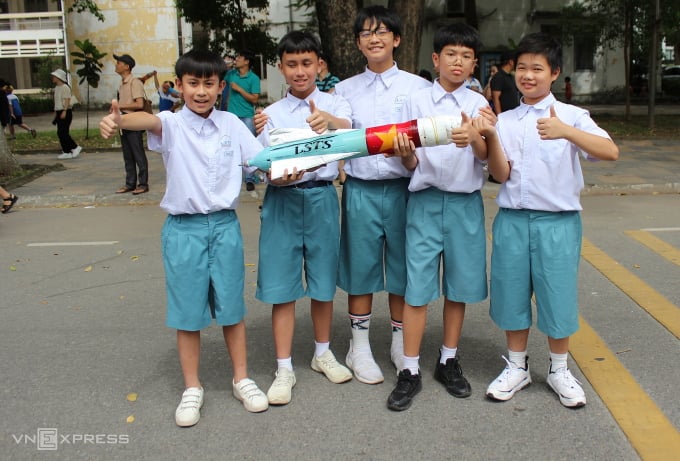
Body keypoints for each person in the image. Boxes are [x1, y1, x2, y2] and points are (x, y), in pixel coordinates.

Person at [99, 49, 269, 427]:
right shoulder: (172, 124)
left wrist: (292, 166)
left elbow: (262, 161)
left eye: (209, 84)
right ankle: (192, 387)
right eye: (193, 84)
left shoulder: (232, 125)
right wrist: (118, 119)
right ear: (179, 87)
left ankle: (242, 378)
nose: (201, 91)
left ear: (221, 86)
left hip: (225, 228)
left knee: (231, 309)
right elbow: (147, 120)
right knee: (188, 314)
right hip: (184, 231)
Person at [481, 33, 619, 408]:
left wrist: (566, 132)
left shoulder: (572, 116)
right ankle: (517, 366)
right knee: (511, 294)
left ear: (554, 73)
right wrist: (492, 137)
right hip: (512, 219)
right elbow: (500, 174)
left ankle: (559, 369)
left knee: (557, 296)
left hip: (557, 223)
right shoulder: (506, 120)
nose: (528, 75)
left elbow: (610, 151)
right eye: (522, 68)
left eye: (537, 69)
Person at [386, 23, 492, 411]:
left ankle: (448, 358)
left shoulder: (480, 104)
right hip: (425, 202)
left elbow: (488, 158)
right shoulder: (417, 101)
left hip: (465, 204)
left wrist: (477, 138)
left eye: (466, 56)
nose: (458, 62)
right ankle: (409, 368)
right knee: (418, 286)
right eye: (451, 54)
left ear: (474, 63)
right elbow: (411, 159)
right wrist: (403, 153)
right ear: (436, 59)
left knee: (459, 285)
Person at [333, 5, 432, 385]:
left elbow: (424, 146)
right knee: (361, 269)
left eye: (381, 32)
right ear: (358, 42)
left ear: (396, 38)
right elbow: (332, 139)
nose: (374, 38)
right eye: (366, 33)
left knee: (402, 270)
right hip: (360, 190)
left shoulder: (417, 89)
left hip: (405, 190)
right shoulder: (343, 91)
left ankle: (397, 340)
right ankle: (358, 346)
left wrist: (408, 156)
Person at [256, 30, 353, 406]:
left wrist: (331, 123)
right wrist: (275, 176)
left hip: (322, 199)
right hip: (282, 200)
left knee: (323, 281)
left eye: (307, 63)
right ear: (281, 68)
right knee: (282, 286)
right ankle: (284, 366)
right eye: (292, 64)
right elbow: (262, 166)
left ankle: (323, 351)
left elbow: (354, 136)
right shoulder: (269, 117)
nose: (300, 71)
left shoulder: (335, 104)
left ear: (319, 65)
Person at [113, 53, 149, 195]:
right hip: (124, 122)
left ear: (127, 67)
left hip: (134, 121)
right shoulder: (122, 84)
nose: (116, 65)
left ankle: (143, 184)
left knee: (138, 153)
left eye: (119, 63)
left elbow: (139, 103)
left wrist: (120, 106)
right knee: (127, 155)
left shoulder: (135, 82)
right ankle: (130, 183)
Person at [224, 50, 261, 190]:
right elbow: (218, 76)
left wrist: (239, 89)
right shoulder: (231, 75)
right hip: (231, 117)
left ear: (247, 61)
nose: (237, 59)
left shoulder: (253, 78)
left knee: (247, 148)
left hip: (247, 116)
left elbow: (254, 99)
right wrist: (225, 65)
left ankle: (250, 178)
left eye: (239, 57)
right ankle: (232, 177)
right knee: (230, 147)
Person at [50, 69, 82, 160]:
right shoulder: (57, 88)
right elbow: (57, 102)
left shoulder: (65, 87)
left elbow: (67, 99)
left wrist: (64, 110)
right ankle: (66, 151)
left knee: (63, 132)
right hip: (59, 111)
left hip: (65, 111)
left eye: (54, 76)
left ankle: (75, 147)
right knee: (61, 133)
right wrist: (56, 114)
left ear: (59, 77)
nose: (53, 78)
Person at [491, 51, 519, 115]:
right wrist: (500, 117)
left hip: (514, 114)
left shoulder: (511, 77)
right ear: (511, 62)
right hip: (504, 116)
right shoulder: (498, 77)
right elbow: (495, 98)